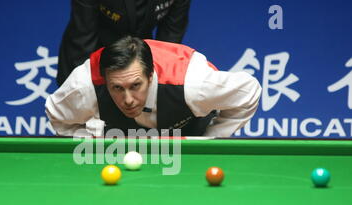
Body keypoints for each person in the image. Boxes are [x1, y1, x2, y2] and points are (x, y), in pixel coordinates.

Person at [45, 36, 262, 137]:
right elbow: (56, 114)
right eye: (117, 88)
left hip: (190, 140)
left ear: (151, 76)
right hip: (122, 145)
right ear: (105, 81)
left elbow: (249, 91)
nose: (128, 99)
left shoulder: (193, 84)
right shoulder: (85, 86)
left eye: (135, 85)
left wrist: (211, 139)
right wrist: (89, 137)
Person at [57, 0, 192, 86]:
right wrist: (82, 88)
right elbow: (83, 35)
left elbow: (171, 35)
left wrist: (157, 85)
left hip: (138, 54)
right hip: (91, 51)